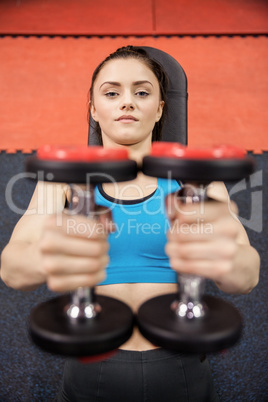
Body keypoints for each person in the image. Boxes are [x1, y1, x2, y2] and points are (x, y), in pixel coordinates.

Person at [0, 46, 260, 401]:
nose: (127, 102)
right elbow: (13, 267)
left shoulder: (195, 182)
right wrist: (49, 254)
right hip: (91, 362)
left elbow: (247, 277)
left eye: (142, 92)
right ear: (93, 108)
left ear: (161, 109)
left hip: (179, 364)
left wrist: (226, 256)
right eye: (111, 93)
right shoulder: (66, 182)